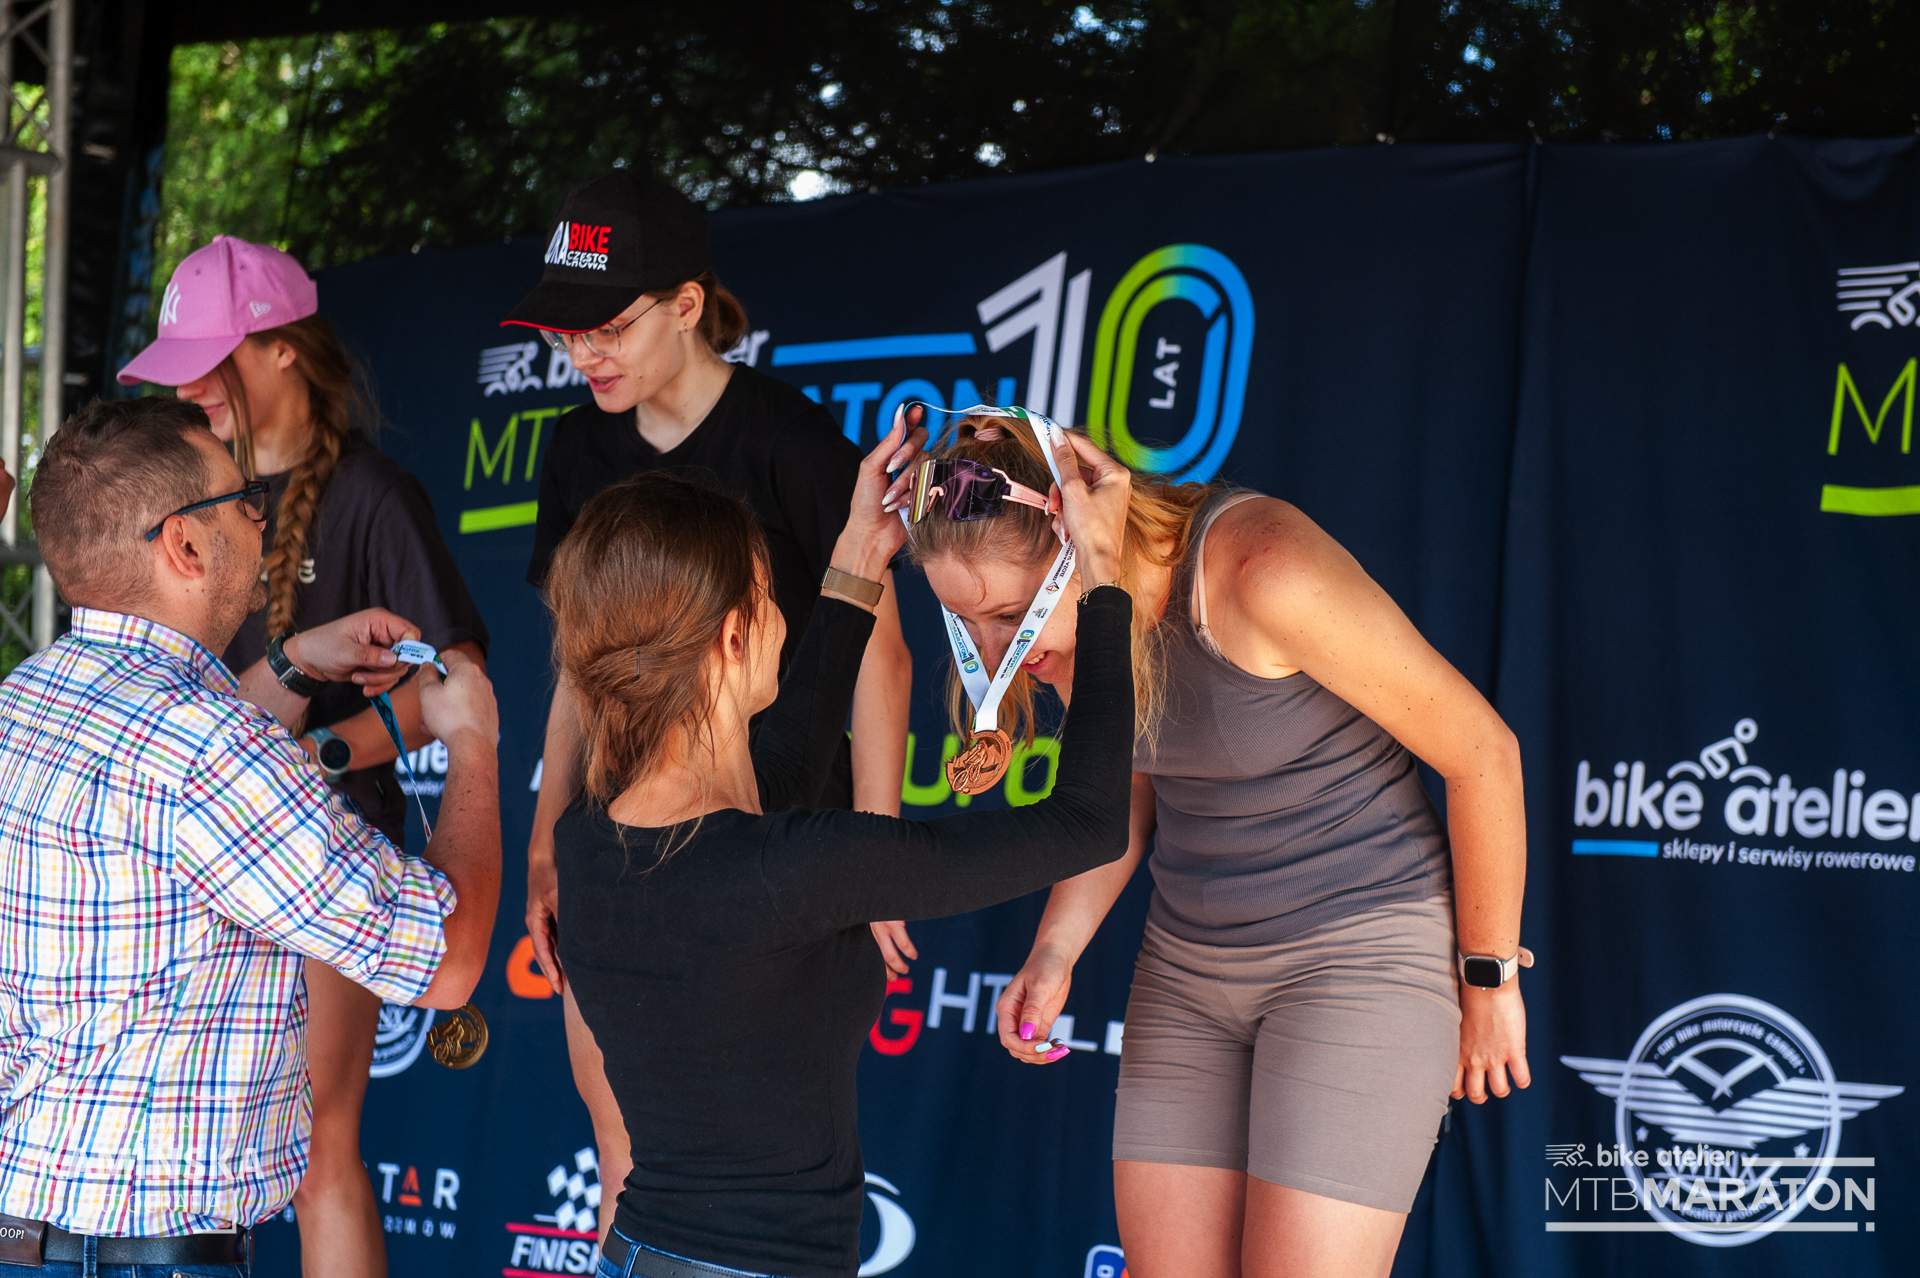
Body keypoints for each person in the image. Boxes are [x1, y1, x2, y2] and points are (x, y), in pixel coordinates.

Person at [904, 416, 1531, 1278]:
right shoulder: (1078, 632)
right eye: (966, 623)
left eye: (1011, 616)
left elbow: (1484, 754)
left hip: (1358, 953)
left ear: (1083, 534)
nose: (994, 654)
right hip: (1189, 972)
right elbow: (1131, 779)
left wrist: (1489, 979)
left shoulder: (1261, 571)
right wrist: (1055, 951)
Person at [549, 414, 1134, 1278]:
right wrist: (1104, 575)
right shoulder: (793, 867)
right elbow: (1090, 821)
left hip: (641, 1255)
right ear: (736, 638)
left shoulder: (593, 840)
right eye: (767, 593)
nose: (781, 613)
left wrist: (860, 555)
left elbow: (781, 770)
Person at [0, 397, 500, 1278]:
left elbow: (173, 770)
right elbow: (447, 956)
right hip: (142, 1259)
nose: (262, 519)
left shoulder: (24, 701)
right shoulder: (212, 752)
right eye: (244, 500)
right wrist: (473, 744)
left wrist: (294, 663)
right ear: (185, 546)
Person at [505, 170, 913, 1240]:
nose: (585, 353)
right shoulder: (576, 447)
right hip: (619, 836)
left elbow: (880, 655)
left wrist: (875, 850)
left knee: (736, 1160)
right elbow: (577, 663)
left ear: (686, 305)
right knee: (620, 1141)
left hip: (765, 832)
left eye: (609, 326)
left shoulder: (788, 441)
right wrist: (546, 838)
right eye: (567, 331)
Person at [117, 234, 490, 1278]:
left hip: (321, 852)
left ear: (284, 348)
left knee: (320, 1150)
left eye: (210, 360)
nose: (189, 387)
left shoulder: (369, 493)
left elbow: (454, 680)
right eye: (178, 366)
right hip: (185, 857)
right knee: (183, 1152)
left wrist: (319, 751)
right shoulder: (185, 494)